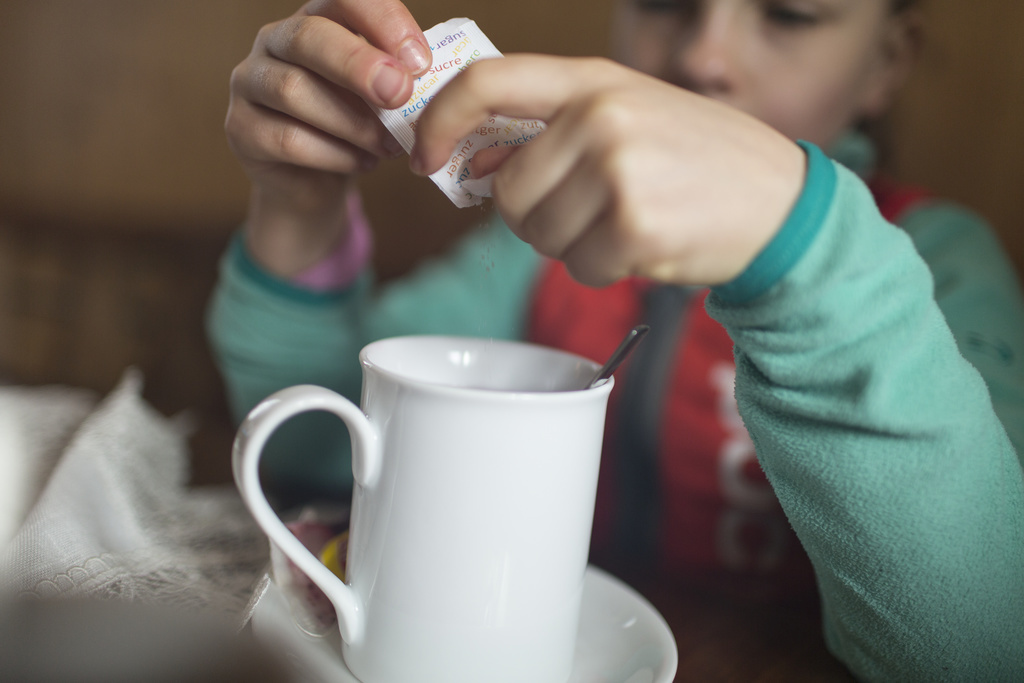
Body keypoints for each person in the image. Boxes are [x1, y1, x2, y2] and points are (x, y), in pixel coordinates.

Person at [208, 0, 1024, 678]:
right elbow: (324, 445)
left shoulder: (940, 266)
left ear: (887, 60)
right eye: (666, 2)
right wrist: (299, 205)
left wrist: (798, 247)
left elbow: (983, 642)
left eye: (790, 12)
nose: (706, 56)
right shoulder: (539, 252)